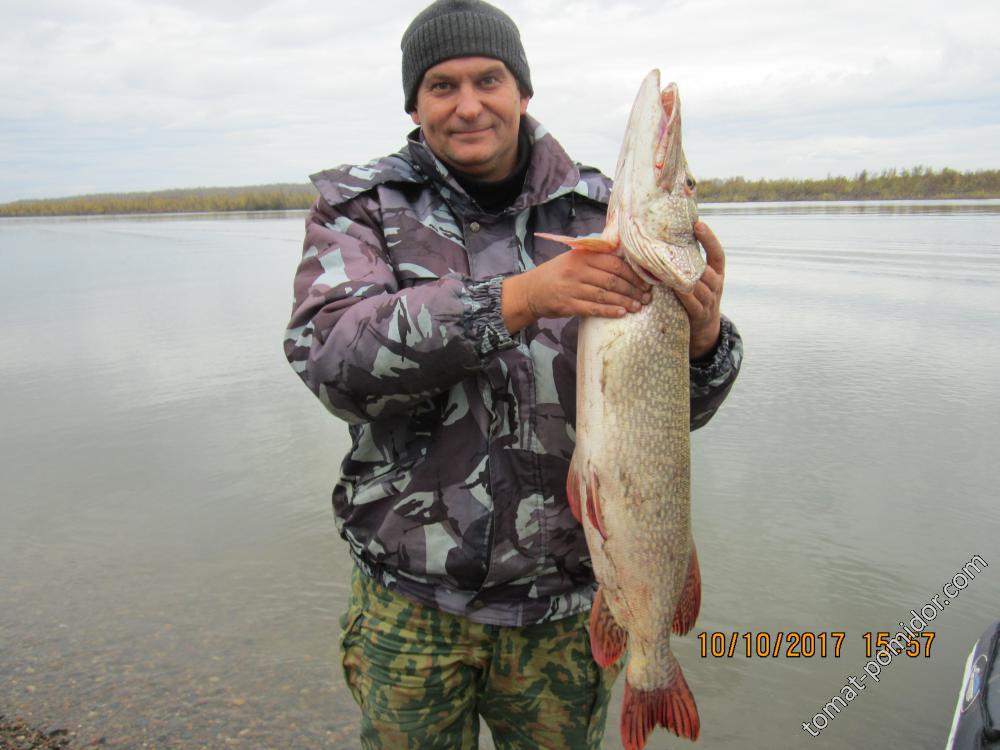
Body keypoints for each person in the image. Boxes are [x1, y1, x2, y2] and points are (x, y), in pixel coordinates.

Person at [283, 1, 742, 747]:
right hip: (411, 605)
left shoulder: (602, 213)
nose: (469, 105)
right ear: (414, 105)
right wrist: (519, 298)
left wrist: (706, 342)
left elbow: (672, 418)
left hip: (566, 608)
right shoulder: (359, 208)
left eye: (489, 80)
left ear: (522, 91)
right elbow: (332, 358)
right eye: (443, 85)